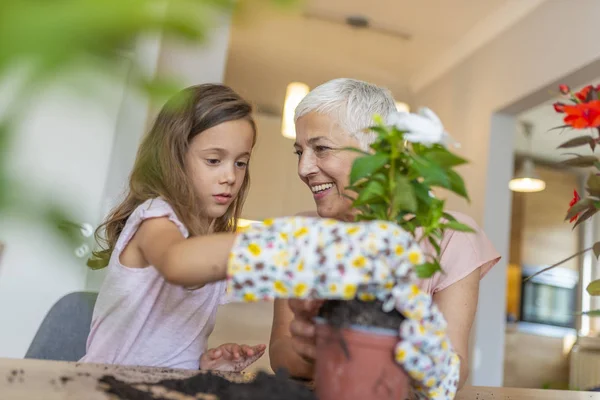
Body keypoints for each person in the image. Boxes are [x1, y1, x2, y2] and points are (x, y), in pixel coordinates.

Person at [268, 78, 501, 388]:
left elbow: (451, 370)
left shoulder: (449, 237)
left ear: (378, 150)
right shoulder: (300, 234)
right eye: (299, 152)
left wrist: (365, 355)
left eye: (321, 148)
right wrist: (321, 349)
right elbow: (281, 352)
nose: (303, 168)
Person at [80, 84, 266, 371]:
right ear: (173, 158)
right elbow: (177, 262)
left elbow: (169, 354)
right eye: (214, 160)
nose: (230, 176)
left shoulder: (211, 240)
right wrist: (284, 243)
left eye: (241, 163)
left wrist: (205, 365)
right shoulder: (155, 219)